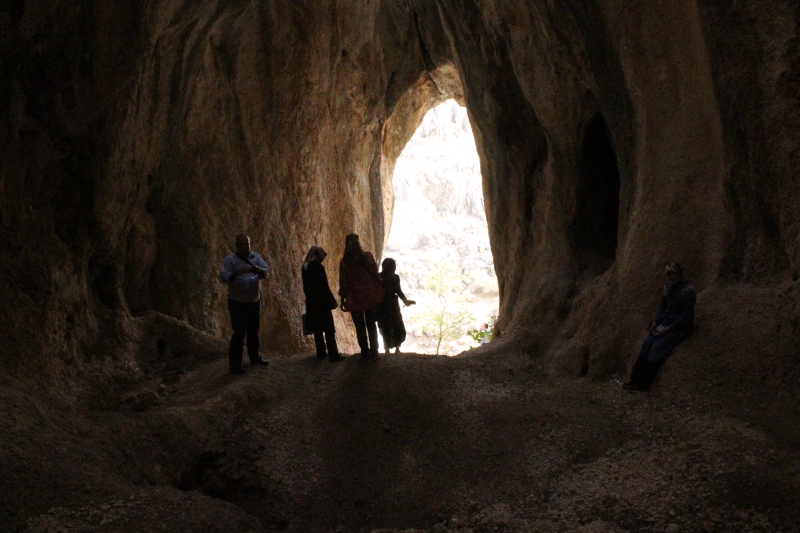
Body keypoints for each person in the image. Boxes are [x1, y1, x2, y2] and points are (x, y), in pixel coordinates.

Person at [624, 263, 696, 392]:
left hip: (678, 327)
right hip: (666, 322)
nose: (671, 276)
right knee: (646, 344)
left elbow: (686, 316)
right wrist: (656, 321)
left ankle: (643, 385)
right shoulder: (668, 287)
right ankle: (634, 380)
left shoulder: (687, 291)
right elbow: (662, 306)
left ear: (679, 274)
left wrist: (668, 328)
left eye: (673, 273)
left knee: (656, 349)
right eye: (669, 274)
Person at [219, 234, 271, 374]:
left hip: (254, 301)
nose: (245, 247)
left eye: (246, 244)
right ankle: (235, 365)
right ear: (236, 246)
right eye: (241, 245)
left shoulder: (256, 257)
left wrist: (259, 270)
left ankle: (254, 357)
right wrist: (236, 273)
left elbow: (266, 272)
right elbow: (223, 276)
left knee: (253, 330)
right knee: (239, 332)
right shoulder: (230, 260)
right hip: (237, 302)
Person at [339, 233, 384, 362]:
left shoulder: (345, 263)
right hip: (369, 296)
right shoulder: (367, 257)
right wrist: (380, 288)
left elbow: (344, 282)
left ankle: (365, 354)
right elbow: (375, 274)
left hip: (355, 299)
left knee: (360, 326)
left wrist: (343, 299)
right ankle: (374, 352)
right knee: (371, 324)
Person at [301, 246, 344, 362]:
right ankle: (333, 355)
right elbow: (324, 286)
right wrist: (332, 301)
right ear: (317, 255)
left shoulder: (305, 267)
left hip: (311, 303)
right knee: (329, 329)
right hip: (322, 303)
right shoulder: (318, 267)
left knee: (317, 330)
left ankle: (321, 353)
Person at [376, 258, 415, 354]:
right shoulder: (395, 277)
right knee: (396, 325)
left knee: (385, 326)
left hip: (381, 305)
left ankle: (386, 349)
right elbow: (398, 291)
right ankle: (397, 348)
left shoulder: (378, 276)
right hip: (392, 305)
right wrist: (405, 301)